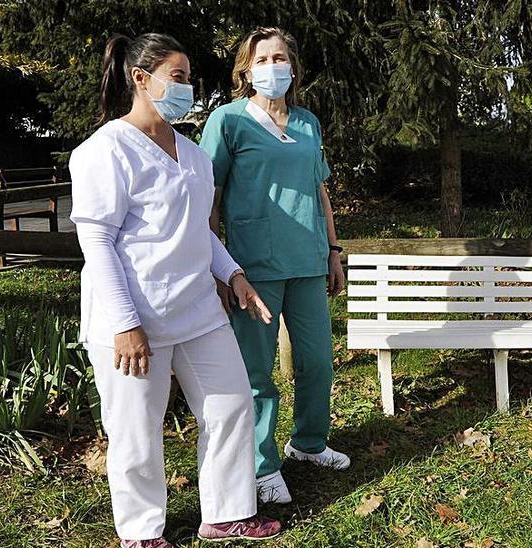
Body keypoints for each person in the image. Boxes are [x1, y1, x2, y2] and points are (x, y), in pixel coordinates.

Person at [70, 32, 284, 547]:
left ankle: (228, 513)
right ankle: (142, 533)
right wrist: (124, 324)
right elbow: (95, 240)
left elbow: (199, 232)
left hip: (198, 310)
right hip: (133, 318)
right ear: (140, 79)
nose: (187, 88)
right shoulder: (105, 150)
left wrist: (233, 275)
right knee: (137, 430)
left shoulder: (192, 155)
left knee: (231, 405)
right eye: (178, 77)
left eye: (189, 78)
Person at [200, 27, 349, 505]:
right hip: (253, 269)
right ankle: (263, 465)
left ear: (293, 67)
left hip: (307, 261)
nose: (272, 67)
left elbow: (320, 190)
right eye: (261, 59)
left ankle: (308, 444)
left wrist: (332, 249)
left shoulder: (307, 123)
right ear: (246, 70)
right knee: (256, 372)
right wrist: (218, 266)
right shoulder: (227, 122)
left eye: (279, 58)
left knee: (318, 363)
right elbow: (210, 197)